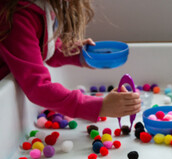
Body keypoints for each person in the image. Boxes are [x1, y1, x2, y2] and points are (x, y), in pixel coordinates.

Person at [0, 0, 141, 123]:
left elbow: (44, 48)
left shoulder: (43, 5)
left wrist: (77, 53)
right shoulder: (17, 17)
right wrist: (99, 106)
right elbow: (38, 87)